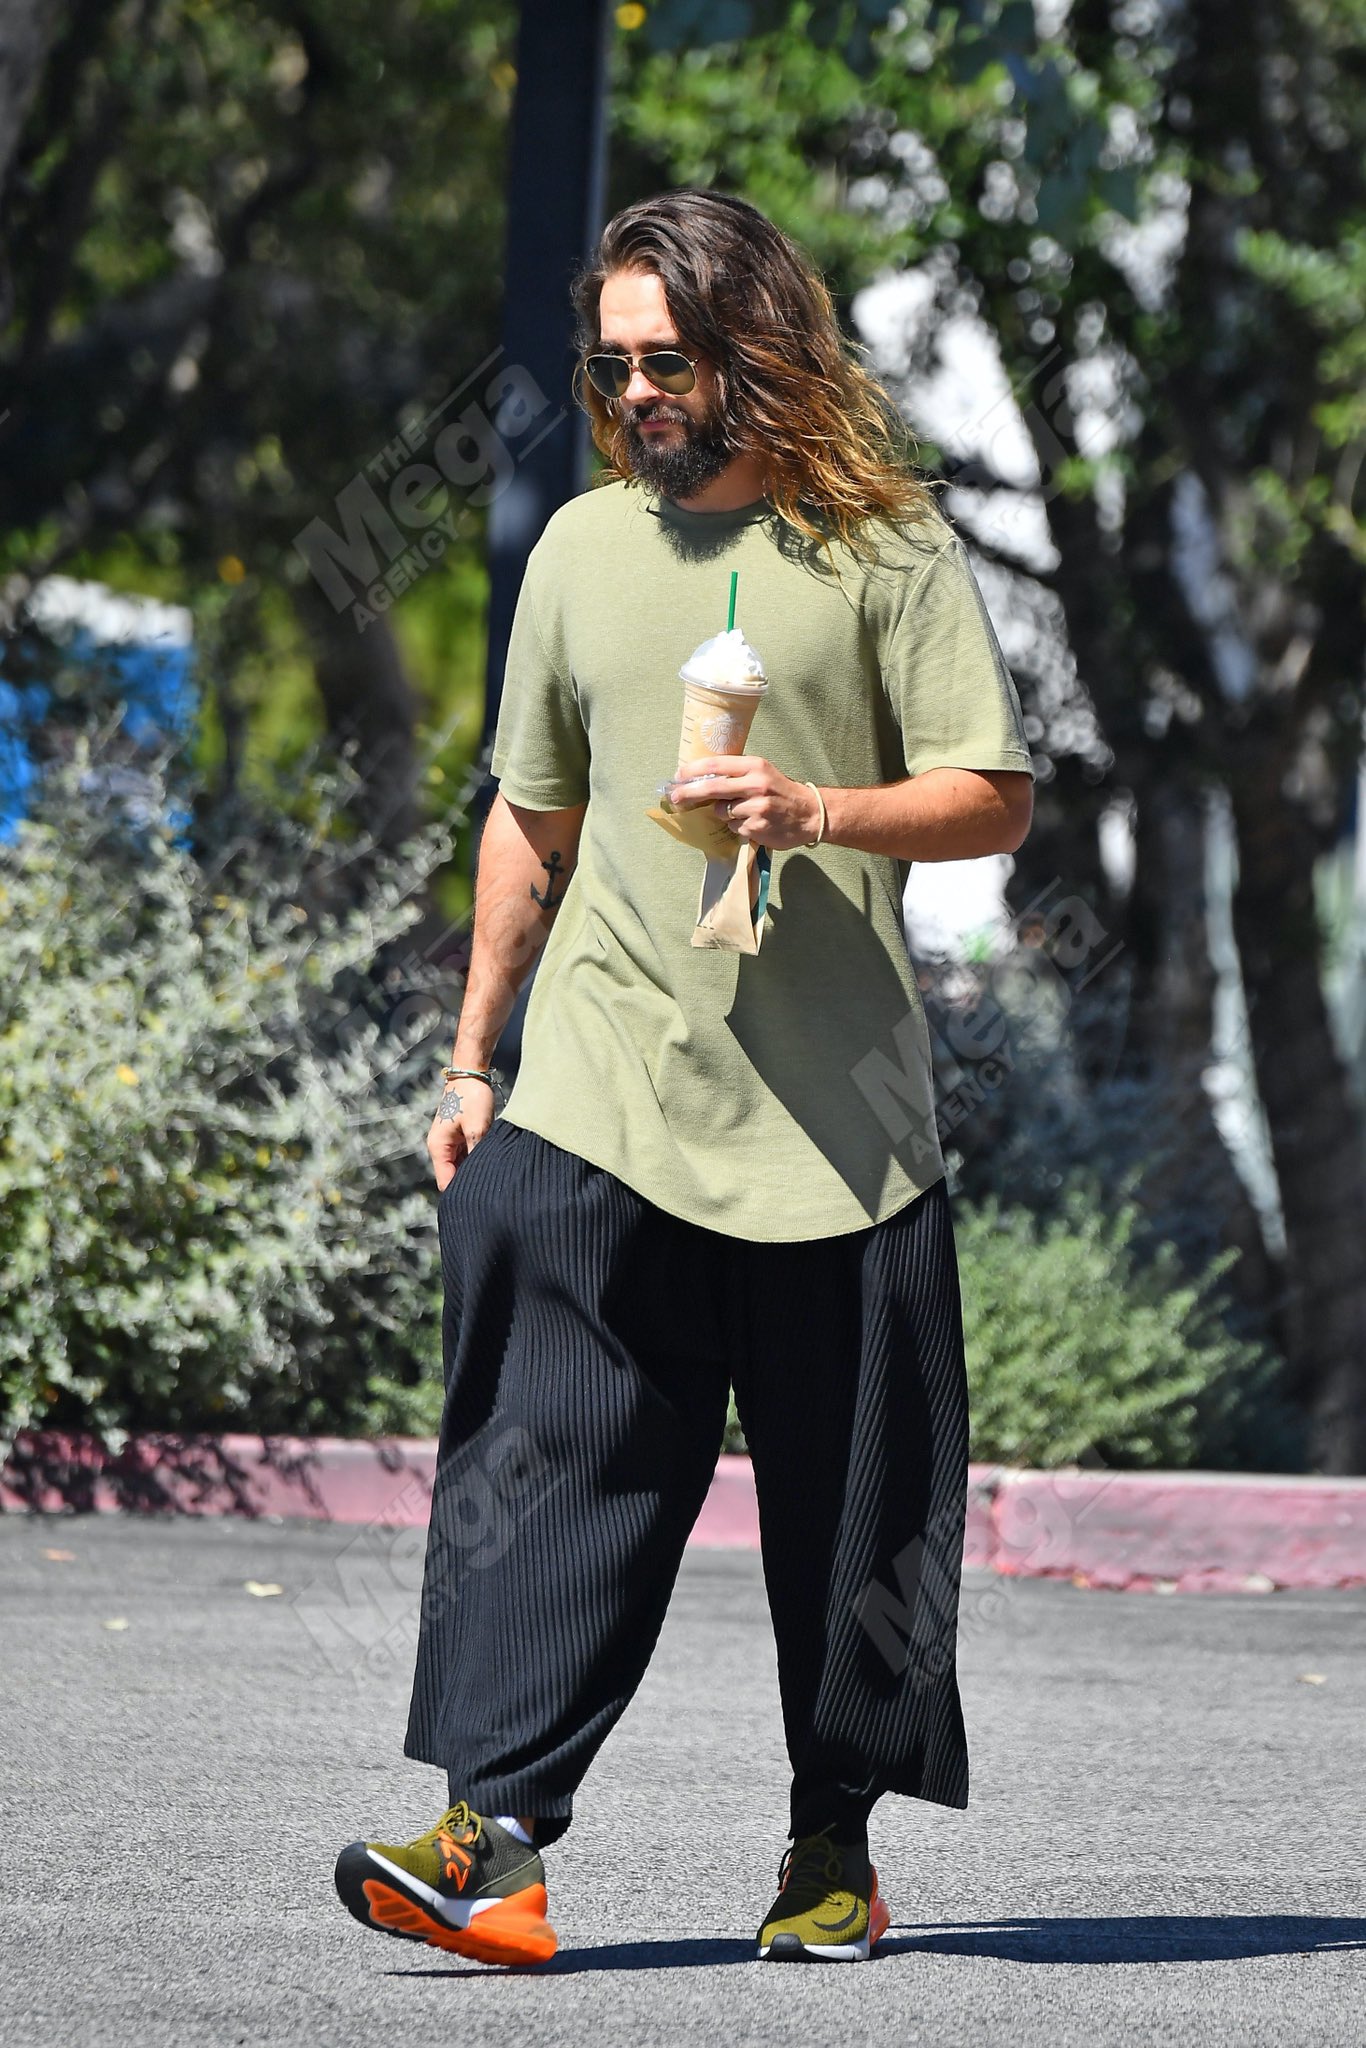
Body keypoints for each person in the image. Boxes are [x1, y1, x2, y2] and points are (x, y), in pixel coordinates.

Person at [334, 188, 1034, 1968]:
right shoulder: (577, 551)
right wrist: (471, 1060)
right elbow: (530, 817)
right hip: (597, 1095)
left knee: (854, 1522)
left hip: (836, 1125)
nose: (634, 390)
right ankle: (493, 1844)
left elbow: (989, 795)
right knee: (542, 1467)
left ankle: (830, 1849)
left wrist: (813, 808)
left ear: (752, 348)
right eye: (612, 364)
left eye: (666, 360)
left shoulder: (883, 551)